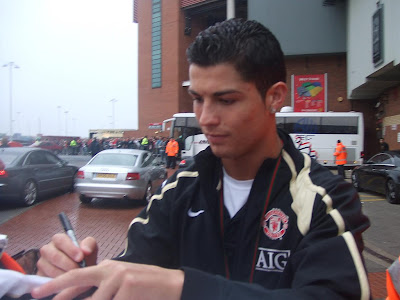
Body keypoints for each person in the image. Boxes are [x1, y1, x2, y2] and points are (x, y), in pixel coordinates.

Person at [32, 19, 371, 300]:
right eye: (197, 99)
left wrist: (183, 287)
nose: (206, 118)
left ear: (274, 97)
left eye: (225, 100)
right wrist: (89, 279)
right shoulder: (176, 191)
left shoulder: (324, 201)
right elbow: (134, 272)